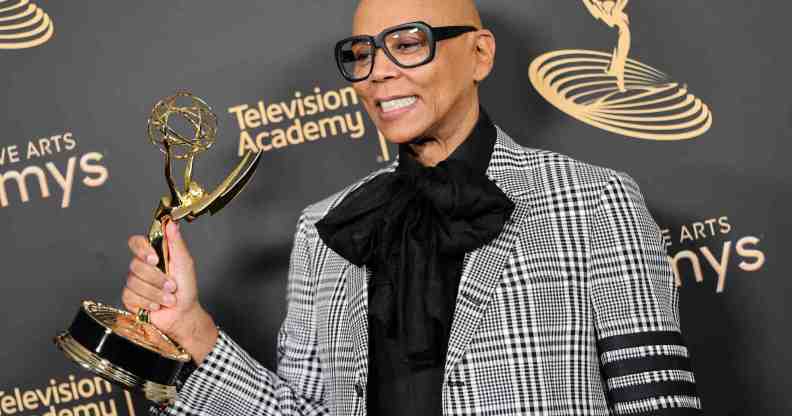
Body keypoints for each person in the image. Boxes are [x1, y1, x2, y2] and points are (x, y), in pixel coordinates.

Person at [125, 0, 702, 414]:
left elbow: (657, 400)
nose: (378, 73)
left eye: (407, 44)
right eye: (361, 54)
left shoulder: (595, 201)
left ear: (479, 54)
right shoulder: (326, 228)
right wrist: (193, 331)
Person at [582, 0, 631, 92]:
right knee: (621, 59)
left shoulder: (611, 11)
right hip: (622, 34)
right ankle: (620, 82)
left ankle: (612, 71)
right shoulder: (609, 13)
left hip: (622, 33)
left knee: (619, 57)